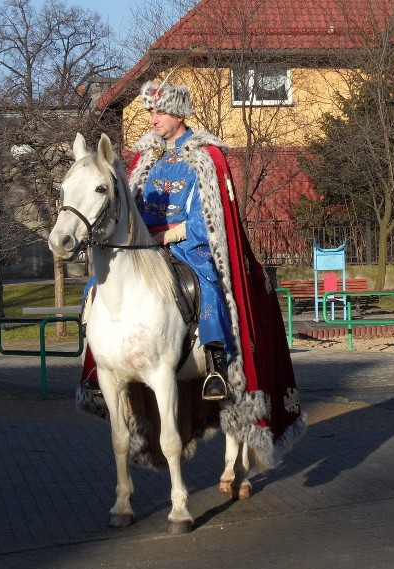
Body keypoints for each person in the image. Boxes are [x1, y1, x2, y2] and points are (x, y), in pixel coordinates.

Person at [79, 78, 305, 467]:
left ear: (179, 113)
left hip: (189, 248)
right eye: (150, 111)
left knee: (209, 289)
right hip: (141, 250)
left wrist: (167, 234)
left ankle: (217, 365)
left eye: (161, 111)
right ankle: (99, 365)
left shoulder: (206, 158)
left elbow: (209, 223)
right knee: (94, 290)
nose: (153, 118)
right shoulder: (143, 159)